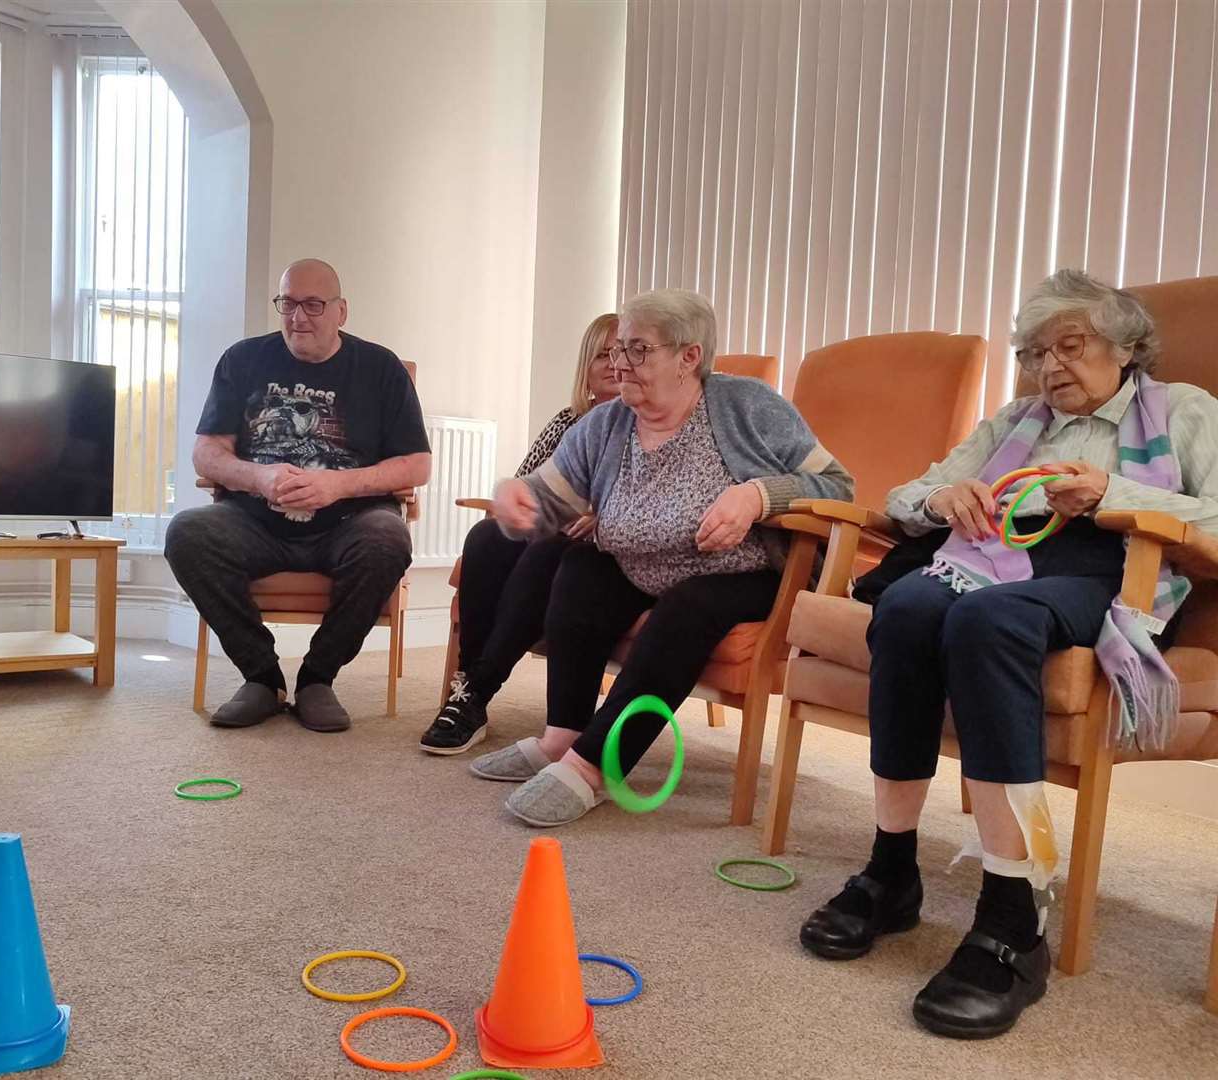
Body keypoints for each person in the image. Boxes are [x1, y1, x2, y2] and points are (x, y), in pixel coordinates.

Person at [800, 269, 1218, 1039]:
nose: (1048, 365)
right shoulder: (1014, 420)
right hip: (988, 556)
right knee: (907, 605)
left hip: (1108, 567)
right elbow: (914, 491)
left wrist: (1113, 495)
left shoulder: (1186, 412)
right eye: (1033, 351)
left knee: (988, 622)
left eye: (1070, 345)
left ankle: (1012, 917)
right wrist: (940, 501)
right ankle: (890, 871)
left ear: (1125, 348)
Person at [472, 288, 853, 826]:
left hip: (746, 573)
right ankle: (563, 736)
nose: (619, 364)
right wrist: (522, 498)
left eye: (637, 350)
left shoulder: (748, 405)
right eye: (617, 349)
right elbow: (553, 495)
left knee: (688, 606)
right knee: (580, 567)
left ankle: (595, 768)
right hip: (640, 565)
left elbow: (839, 485)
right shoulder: (607, 423)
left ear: (689, 356)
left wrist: (756, 496)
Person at [165, 259, 431, 733]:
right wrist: (260, 478)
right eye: (287, 303)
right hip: (254, 521)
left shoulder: (381, 368)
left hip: (351, 522)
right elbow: (206, 454)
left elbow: (416, 465)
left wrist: (337, 484)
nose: (297, 317)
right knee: (187, 532)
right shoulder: (242, 360)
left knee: (387, 540)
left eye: (313, 304)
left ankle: (316, 679)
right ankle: (262, 678)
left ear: (341, 311)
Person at [419, 313, 620, 755]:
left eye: (620, 352)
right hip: (549, 531)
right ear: (586, 366)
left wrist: (599, 516)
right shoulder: (569, 420)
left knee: (545, 552)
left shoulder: (639, 425)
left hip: (598, 548)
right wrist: (525, 509)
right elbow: (527, 486)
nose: (612, 363)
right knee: (486, 536)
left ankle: (476, 691)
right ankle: (468, 689)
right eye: (601, 354)